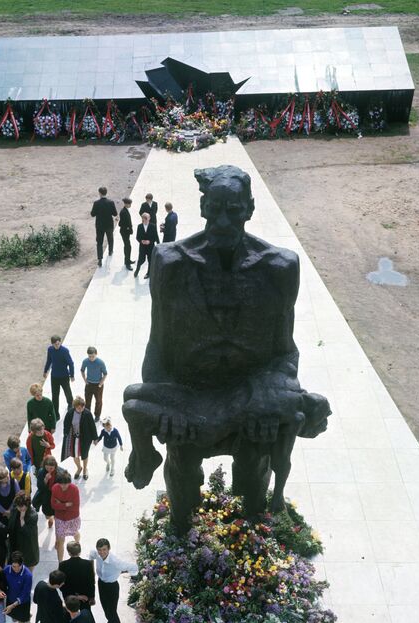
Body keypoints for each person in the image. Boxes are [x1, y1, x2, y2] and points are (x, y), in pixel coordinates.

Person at [122, 164, 331, 534]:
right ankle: (180, 537)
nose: (222, 221)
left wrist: (269, 396)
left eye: (233, 210)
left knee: (254, 473)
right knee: (181, 470)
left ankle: (254, 542)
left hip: (249, 403)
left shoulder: (279, 267)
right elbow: (158, 347)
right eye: (215, 208)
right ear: (202, 207)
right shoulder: (170, 263)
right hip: (189, 396)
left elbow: (285, 353)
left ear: (249, 209)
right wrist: (166, 402)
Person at [89, 538, 137, 623]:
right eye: (100, 550)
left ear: (109, 549)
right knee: (105, 608)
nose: (101, 553)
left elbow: (133, 567)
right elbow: (91, 556)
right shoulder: (96, 553)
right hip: (101, 584)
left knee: (112, 611)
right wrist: (91, 571)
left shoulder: (116, 561)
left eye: (104, 550)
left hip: (112, 587)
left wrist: (127, 573)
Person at [59, 541, 97, 623]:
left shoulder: (62, 565)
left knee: (69, 616)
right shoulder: (87, 564)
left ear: (68, 552)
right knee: (87, 615)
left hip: (70, 598)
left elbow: (62, 585)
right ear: (80, 551)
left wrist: (74, 596)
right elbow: (91, 582)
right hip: (85, 597)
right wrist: (92, 597)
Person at [4, 551, 33, 623]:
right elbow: (2, 582)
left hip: (22, 603)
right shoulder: (7, 569)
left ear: (22, 565)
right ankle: (27, 616)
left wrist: (12, 605)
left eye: (17, 567)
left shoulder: (27, 575)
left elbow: (25, 594)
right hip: (10, 600)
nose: (15, 569)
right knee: (14, 618)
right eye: (13, 566)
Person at [61, 396, 97, 480]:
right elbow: (65, 424)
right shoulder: (70, 413)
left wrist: (95, 438)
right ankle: (79, 468)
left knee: (84, 455)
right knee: (75, 455)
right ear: (75, 406)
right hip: (73, 438)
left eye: (82, 407)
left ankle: (85, 469)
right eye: (79, 407)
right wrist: (66, 435)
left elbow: (92, 426)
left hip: (85, 438)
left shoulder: (87, 413)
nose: (81, 409)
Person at [51, 468, 81, 563]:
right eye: (61, 484)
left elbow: (75, 506)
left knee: (75, 533)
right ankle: (60, 562)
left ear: (69, 482)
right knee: (60, 542)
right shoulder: (55, 488)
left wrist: (60, 504)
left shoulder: (74, 489)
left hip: (72, 517)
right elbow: (53, 505)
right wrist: (66, 504)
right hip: (60, 518)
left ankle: (77, 544)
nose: (63, 486)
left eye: (65, 484)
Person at [43, 335, 75, 418]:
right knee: (55, 395)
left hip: (64, 376)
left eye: (58, 343)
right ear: (52, 344)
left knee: (67, 391)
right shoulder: (50, 349)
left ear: (60, 342)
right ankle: (56, 413)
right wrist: (45, 370)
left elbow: (71, 363)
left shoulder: (65, 351)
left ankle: (70, 405)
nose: (57, 345)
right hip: (54, 376)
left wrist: (72, 375)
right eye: (55, 344)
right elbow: (49, 360)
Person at [7, 492, 40, 571]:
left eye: (23, 506)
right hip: (16, 543)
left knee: (28, 567)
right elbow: (11, 525)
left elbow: (29, 533)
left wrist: (22, 519)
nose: (21, 508)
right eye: (19, 506)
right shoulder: (15, 510)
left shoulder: (33, 515)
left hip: (28, 545)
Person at [90, 185, 117, 266]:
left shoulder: (96, 203)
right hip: (109, 225)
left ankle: (100, 259)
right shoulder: (111, 202)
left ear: (100, 193)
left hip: (99, 226)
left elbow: (92, 214)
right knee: (110, 239)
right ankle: (110, 251)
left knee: (99, 242)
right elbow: (115, 213)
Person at [80, 346, 107, 422]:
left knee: (98, 401)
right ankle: (88, 414)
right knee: (87, 400)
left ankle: (97, 415)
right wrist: (85, 380)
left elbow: (105, 374)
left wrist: (100, 384)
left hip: (98, 385)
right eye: (89, 356)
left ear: (96, 354)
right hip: (89, 384)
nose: (91, 358)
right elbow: (82, 370)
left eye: (93, 356)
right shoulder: (85, 361)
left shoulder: (100, 362)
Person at [33, 454, 58, 529]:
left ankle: (55, 519)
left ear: (55, 466)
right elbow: (39, 487)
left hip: (56, 496)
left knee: (57, 514)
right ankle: (50, 518)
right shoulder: (41, 472)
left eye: (51, 468)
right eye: (47, 468)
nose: (49, 470)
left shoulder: (59, 472)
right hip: (46, 496)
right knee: (47, 515)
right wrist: (45, 480)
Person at [135, 212, 159, 279]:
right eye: (143, 218)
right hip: (142, 247)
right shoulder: (139, 226)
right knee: (141, 260)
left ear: (149, 218)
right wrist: (141, 241)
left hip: (150, 247)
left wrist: (150, 241)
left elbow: (155, 237)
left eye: (146, 218)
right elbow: (137, 237)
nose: (145, 220)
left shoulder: (153, 226)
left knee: (150, 261)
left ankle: (148, 273)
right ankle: (137, 269)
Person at [119, 196, 134, 269]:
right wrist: (128, 228)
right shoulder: (123, 212)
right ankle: (127, 262)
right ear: (126, 204)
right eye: (129, 204)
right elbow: (121, 223)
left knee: (128, 246)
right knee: (128, 246)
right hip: (124, 232)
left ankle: (127, 260)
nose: (130, 205)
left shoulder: (125, 210)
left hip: (126, 232)